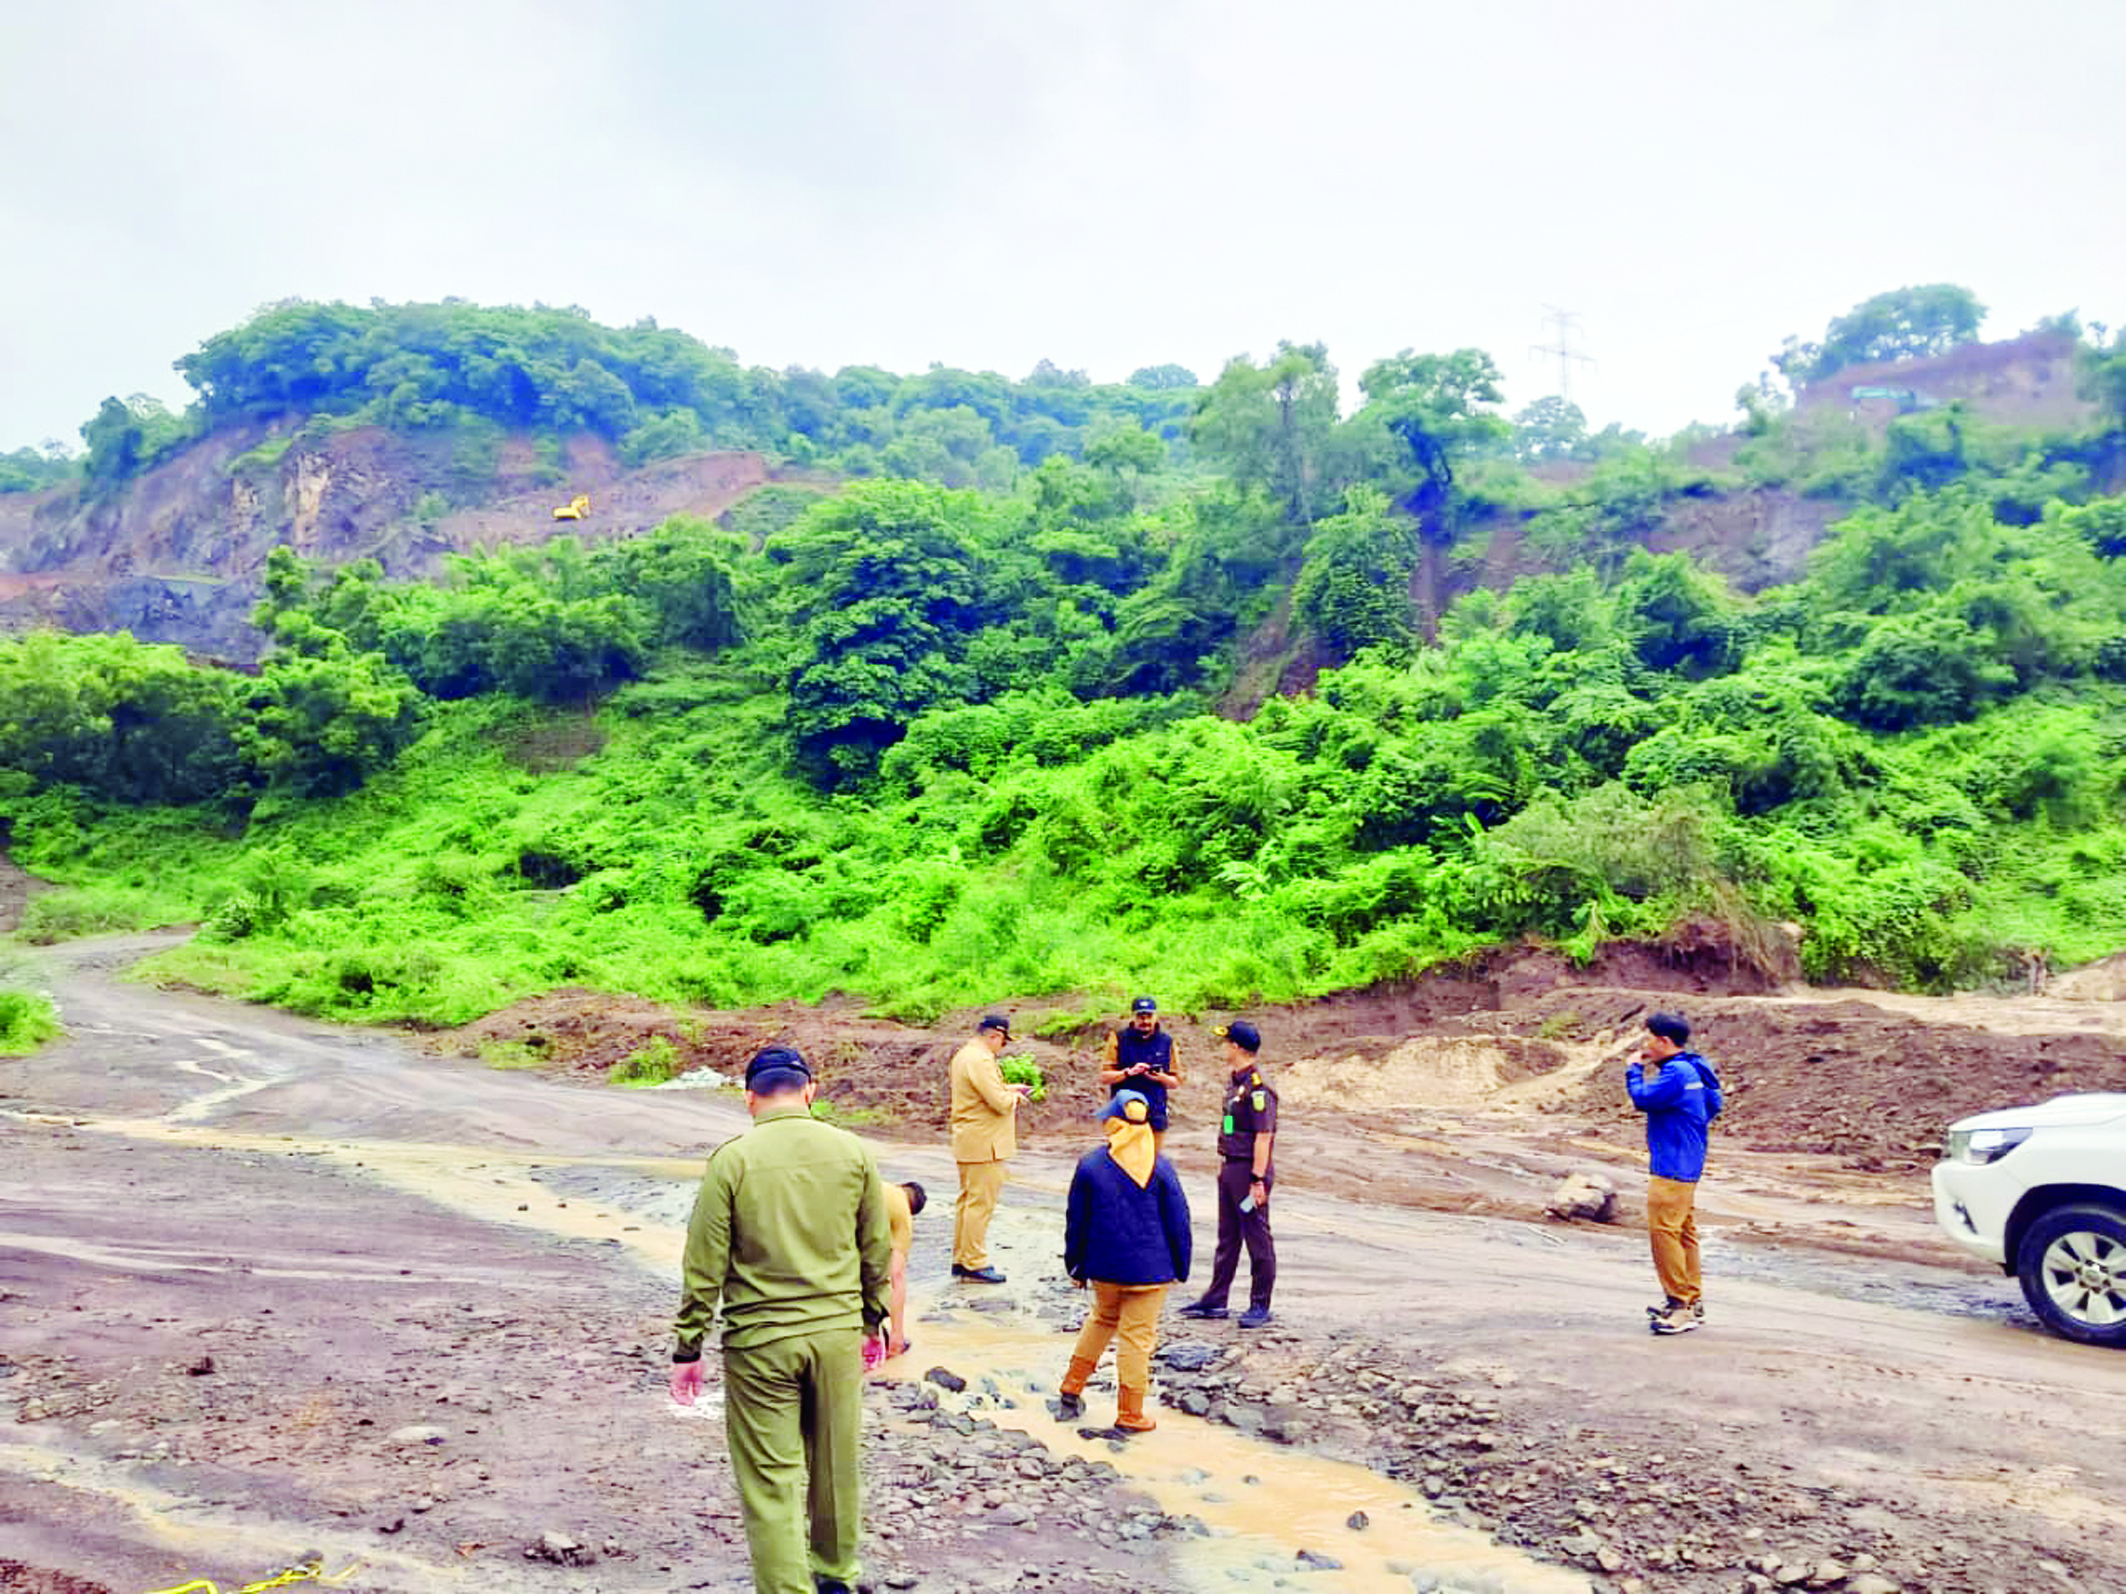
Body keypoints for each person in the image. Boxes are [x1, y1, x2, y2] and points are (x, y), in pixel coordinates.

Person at [669, 1046, 891, 1594]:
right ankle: (836, 1575)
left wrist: (689, 1347)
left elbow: (704, 1262)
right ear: (810, 1090)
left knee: (771, 1477)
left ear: (749, 1098)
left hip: (760, 1340)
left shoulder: (732, 1161)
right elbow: (876, 1247)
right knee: (836, 1462)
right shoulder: (853, 1151)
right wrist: (874, 1320)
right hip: (836, 1332)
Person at [1058, 1089, 1192, 1432]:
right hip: (1152, 1271)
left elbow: (1076, 1221)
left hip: (1104, 1268)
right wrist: (1181, 1267)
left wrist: (1075, 1265)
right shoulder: (1160, 1166)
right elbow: (1179, 1221)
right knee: (1136, 1338)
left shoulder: (1090, 1165)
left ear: (1115, 1124)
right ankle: (1130, 1414)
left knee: (1102, 1318)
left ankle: (1071, 1386)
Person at [1627, 1012, 1724, 1336]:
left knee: (1664, 1233)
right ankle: (1692, 1301)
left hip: (1671, 1166)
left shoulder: (1675, 1074)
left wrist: (1633, 1070)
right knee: (1683, 1232)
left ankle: (1679, 1305)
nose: (1645, 1046)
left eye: (1648, 1039)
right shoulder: (1695, 1067)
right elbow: (1714, 1104)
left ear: (1664, 1041)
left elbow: (1643, 1099)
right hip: (1689, 1161)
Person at [1178, 1019, 1278, 1329]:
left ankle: (1260, 1304)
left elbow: (1264, 1136)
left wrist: (1257, 1180)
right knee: (1228, 1237)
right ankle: (1216, 1299)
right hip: (1232, 1167)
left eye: (1226, 1043)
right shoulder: (1236, 1083)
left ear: (1236, 1046)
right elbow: (1233, 1126)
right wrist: (1226, 1162)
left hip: (1249, 1172)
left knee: (1257, 1237)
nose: (1223, 1048)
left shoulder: (1259, 1088)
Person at [948, 1013, 1029, 1283]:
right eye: (1003, 1042)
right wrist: (1014, 1097)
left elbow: (982, 1091)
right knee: (980, 1204)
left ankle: (962, 1257)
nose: (1001, 1048)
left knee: (968, 1201)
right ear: (995, 1036)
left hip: (971, 1140)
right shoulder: (981, 1060)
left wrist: (1007, 1087)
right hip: (985, 1143)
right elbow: (999, 1102)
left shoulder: (965, 1055)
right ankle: (974, 1261)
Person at [1097, 996, 1184, 1152]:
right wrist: (1128, 1072)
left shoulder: (1167, 1041)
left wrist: (1160, 1077)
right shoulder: (1118, 1038)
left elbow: (1176, 1081)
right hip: (1124, 1113)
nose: (1145, 1021)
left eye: (1149, 1016)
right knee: (1122, 1159)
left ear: (1156, 1016)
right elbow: (1104, 1076)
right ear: (1133, 1017)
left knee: (1153, 1160)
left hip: (1155, 1111)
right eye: (1140, 1016)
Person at [879, 1179, 926, 1361]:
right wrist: (897, 1333)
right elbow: (896, 1275)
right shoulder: (903, 1212)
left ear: (901, 1186)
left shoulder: (880, 1184)